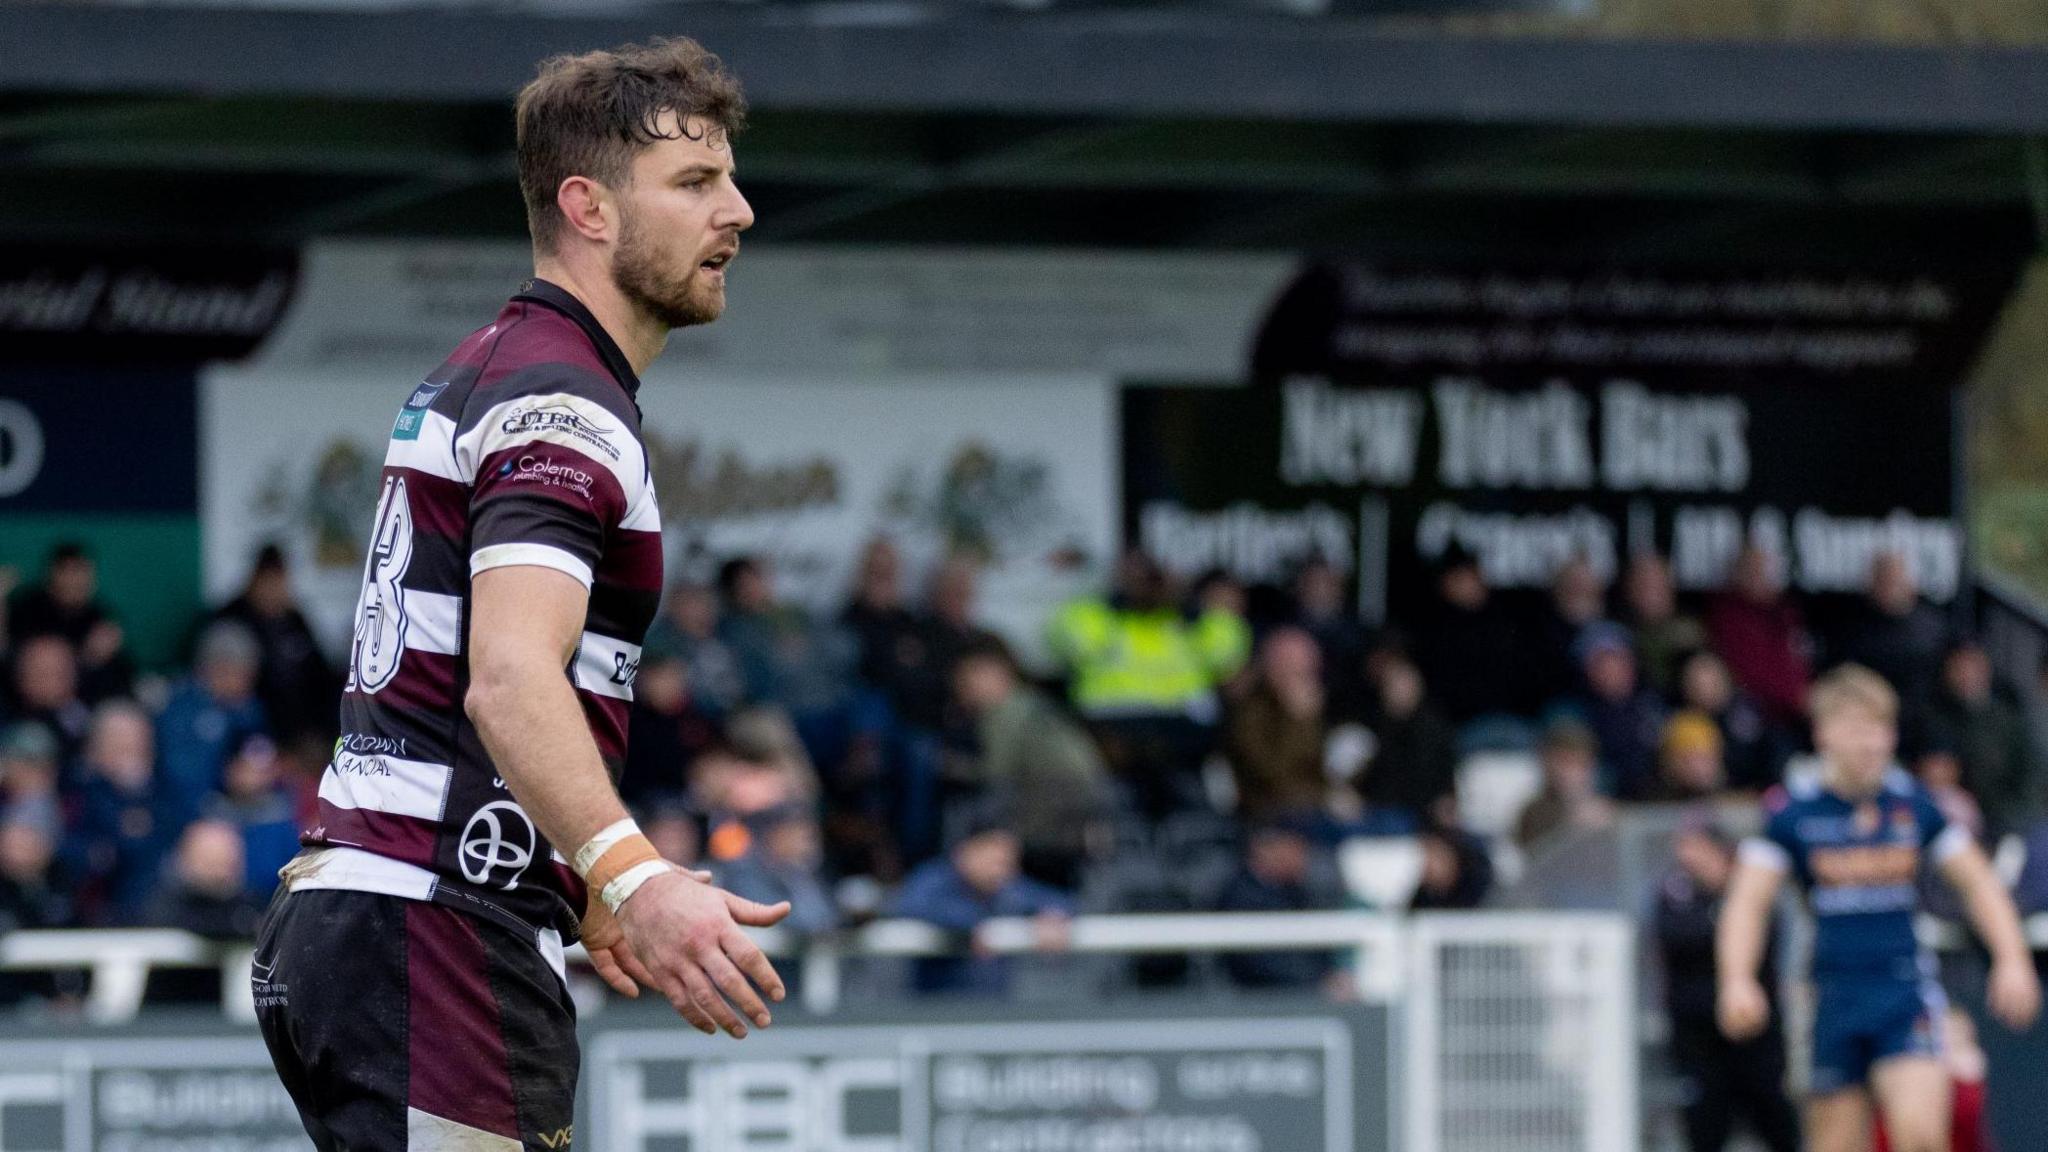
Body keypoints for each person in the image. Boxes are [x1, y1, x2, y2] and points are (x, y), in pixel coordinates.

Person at [255, 40, 791, 1152]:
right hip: (434, 923)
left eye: (729, 177)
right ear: (587, 206)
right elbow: (505, 679)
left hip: (391, 915)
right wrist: (634, 879)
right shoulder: (562, 400)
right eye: (694, 183)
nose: (736, 210)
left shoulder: (502, 364)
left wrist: (585, 890)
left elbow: (456, 680)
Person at [1717, 664, 2040, 1152]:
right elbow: (1747, 901)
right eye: (1856, 729)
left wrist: (2012, 959)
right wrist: (1736, 979)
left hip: (1904, 990)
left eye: (1879, 729)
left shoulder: (1913, 805)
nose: (1871, 744)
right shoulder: (1794, 813)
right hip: (1829, 997)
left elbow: (1979, 883)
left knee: (1921, 1136)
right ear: (1824, 733)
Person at [1653, 816, 1800, 1152]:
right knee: (1704, 1125)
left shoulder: (1749, 889)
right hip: (1698, 1034)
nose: (1687, 856)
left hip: (1754, 1032)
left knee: (1776, 1118)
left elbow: (1767, 933)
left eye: (1696, 846)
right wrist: (1728, 928)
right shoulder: (1674, 891)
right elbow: (1676, 936)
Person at [949, 636, 1112, 890]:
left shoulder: (1006, 711)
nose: (961, 687)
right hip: (1087, 810)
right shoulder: (1034, 704)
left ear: (996, 671)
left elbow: (995, 775)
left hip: (1049, 819)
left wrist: (950, 766)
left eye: (967, 676)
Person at [891, 812, 1073, 996]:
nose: (1000, 870)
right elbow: (910, 905)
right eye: (993, 859)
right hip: (937, 1008)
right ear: (964, 852)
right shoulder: (934, 879)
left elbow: (1056, 899)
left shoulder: (1008, 889)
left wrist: (1053, 914)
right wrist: (969, 926)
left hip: (992, 1010)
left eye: (1006, 862)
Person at [208, 544, 342, 751]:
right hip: (257, 723)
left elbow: (321, 671)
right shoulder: (232, 618)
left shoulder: (294, 619)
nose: (274, 588)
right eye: (268, 580)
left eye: (279, 580)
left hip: (306, 725)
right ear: (255, 579)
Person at [63, 701, 175, 925]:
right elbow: (75, 853)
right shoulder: (75, 791)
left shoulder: (166, 793)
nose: (132, 754)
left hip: (159, 912)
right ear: (95, 748)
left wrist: (138, 795)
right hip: (91, 915)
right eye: (120, 745)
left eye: (138, 744)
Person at [1921, 638, 2040, 838]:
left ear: (1987, 668)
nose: (1966, 674)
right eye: (1959, 666)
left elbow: (2030, 784)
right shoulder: (1931, 717)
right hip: (1952, 823)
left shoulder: (2008, 720)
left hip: (2008, 823)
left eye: (1974, 665)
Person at [155, 621, 268, 822]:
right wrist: (227, 778)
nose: (247, 683)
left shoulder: (248, 707)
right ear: (216, 669)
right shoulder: (181, 708)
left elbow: (259, 749)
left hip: (244, 804)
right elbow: (180, 777)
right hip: (192, 813)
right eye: (241, 674)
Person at [1223, 627, 1333, 824]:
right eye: (1294, 668)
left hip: (1316, 809)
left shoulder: (1322, 706)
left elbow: (1330, 768)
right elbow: (1272, 775)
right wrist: (1301, 722)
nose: (1304, 678)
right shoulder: (1250, 712)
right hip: (1268, 815)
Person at [1214, 822, 1341, 989]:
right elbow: (1262, 960)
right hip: (1260, 1001)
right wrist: (1318, 982)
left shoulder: (1294, 892)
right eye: (1295, 849)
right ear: (1266, 850)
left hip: (1301, 996)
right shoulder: (1241, 896)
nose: (1303, 858)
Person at [7, 542, 134, 703]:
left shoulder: (99, 617)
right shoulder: (27, 608)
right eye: (68, 571)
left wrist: (94, 658)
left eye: (81, 572)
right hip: (26, 703)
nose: (74, 580)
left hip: (82, 704)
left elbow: (123, 674)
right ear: (53, 574)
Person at [1828, 552, 1948, 716]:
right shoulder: (1853, 629)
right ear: (1871, 584)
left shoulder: (1933, 625)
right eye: (1884, 580)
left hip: (1924, 713)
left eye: (1896, 581)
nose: (1891, 588)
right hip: (1870, 711)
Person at [1706, 545, 1811, 730]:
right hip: (1757, 715)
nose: (1759, 578)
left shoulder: (1786, 613)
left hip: (1796, 712)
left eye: (1765, 571)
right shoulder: (1728, 616)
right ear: (1737, 575)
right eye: (1751, 571)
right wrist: (1798, 699)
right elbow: (1750, 674)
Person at [1569, 622, 1667, 801]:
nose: (1612, 669)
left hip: (1658, 795)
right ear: (1586, 670)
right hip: (1604, 797)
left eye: (1619, 660)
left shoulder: (1651, 704)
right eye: (1601, 664)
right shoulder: (1573, 713)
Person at [1513, 718, 1615, 848]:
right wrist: (1574, 823)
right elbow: (1537, 856)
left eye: (1581, 763)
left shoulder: (1606, 809)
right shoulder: (1533, 812)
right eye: (1565, 762)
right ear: (1547, 763)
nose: (1572, 772)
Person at [1623, 551, 1706, 699]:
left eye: (1657, 582)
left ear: (1670, 586)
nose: (1650, 590)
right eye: (1642, 583)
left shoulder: (1689, 630)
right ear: (1629, 589)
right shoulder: (1618, 633)